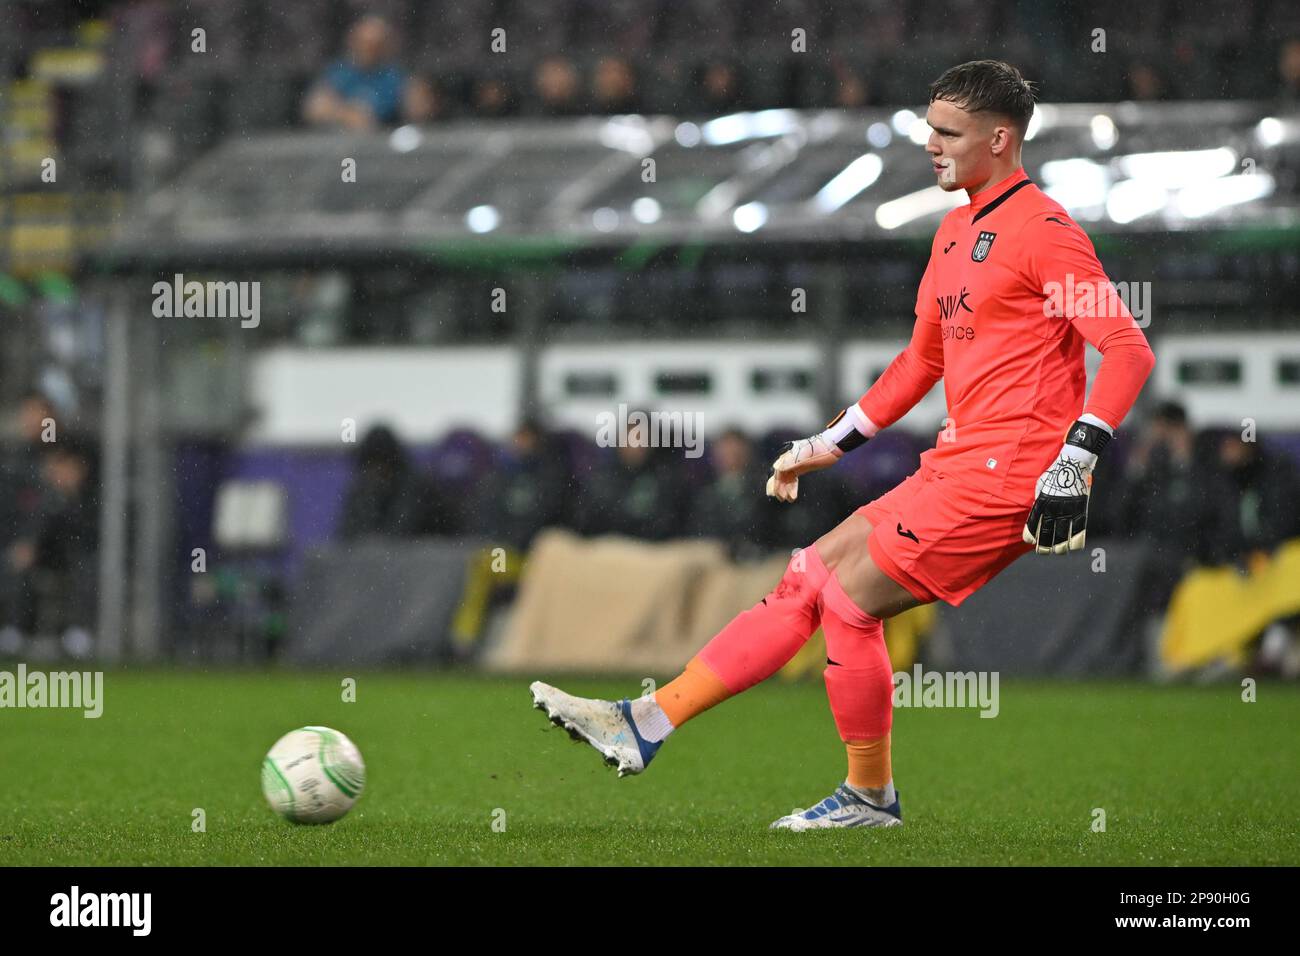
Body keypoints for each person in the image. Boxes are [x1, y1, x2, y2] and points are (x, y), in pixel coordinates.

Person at [531, 60, 1155, 830]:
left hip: (1013, 473)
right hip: (955, 464)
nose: (930, 143)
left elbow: (1127, 348)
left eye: (948, 132)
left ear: (999, 139)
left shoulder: (1046, 231)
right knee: (806, 576)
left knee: (848, 605)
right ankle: (647, 721)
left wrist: (1075, 461)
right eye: (928, 126)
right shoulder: (956, 230)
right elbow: (920, 363)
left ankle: (868, 798)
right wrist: (831, 441)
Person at [302, 16, 432, 131]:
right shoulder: (339, 73)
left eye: (376, 45)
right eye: (364, 44)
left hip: (386, 137)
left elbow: (420, 109)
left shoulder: (397, 74)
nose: (370, 50)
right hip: (343, 142)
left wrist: (416, 100)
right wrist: (345, 114)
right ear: (353, 43)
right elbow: (314, 109)